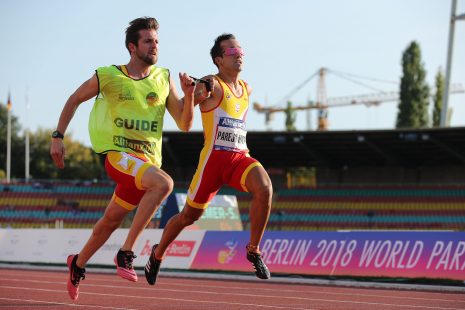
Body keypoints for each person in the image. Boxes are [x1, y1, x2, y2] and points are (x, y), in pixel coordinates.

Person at [50, 17, 208, 301]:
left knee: (109, 221)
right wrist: (58, 136)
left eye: (157, 41)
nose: (155, 46)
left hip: (145, 164)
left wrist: (188, 96)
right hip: (119, 156)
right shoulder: (109, 74)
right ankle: (126, 252)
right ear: (132, 47)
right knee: (164, 184)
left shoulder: (163, 78)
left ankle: (78, 263)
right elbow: (74, 98)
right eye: (148, 41)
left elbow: (184, 124)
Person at [144, 33, 272, 285]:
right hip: (212, 163)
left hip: (239, 160)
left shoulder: (247, 88)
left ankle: (254, 250)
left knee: (265, 189)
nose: (239, 56)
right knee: (187, 218)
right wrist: (194, 92)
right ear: (218, 60)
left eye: (241, 51)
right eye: (232, 53)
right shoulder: (211, 82)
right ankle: (157, 255)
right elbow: (184, 106)